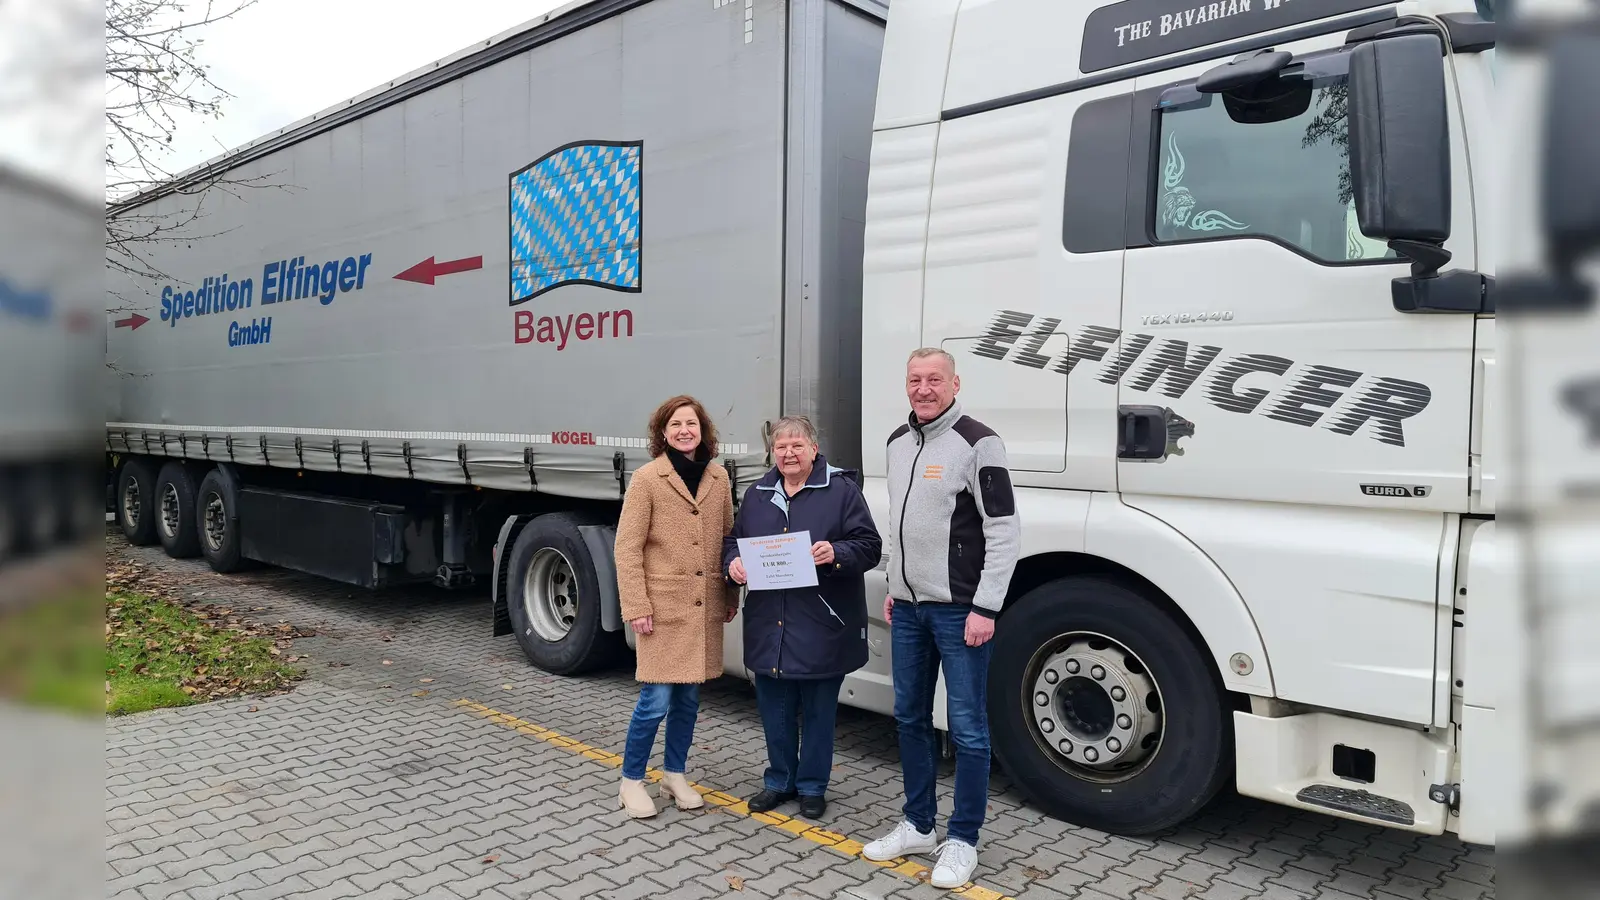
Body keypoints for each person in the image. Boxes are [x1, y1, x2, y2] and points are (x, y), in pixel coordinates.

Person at [862, 348, 1020, 889]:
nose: (923, 388)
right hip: (907, 608)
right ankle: (918, 824)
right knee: (908, 718)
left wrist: (986, 606)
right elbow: (897, 524)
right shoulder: (898, 443)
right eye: (914, 379)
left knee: (969, 729)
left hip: (959, 612)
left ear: (956, 383)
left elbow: (1003, 531)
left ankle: (963, 840)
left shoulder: (979, 442)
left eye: (934, 379)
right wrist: (892, 582)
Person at [723, 415, 882, 821]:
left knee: (817, 713)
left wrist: (836, 554)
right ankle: (778, 781)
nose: (789, 453)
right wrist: (734, 564)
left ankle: (812, 787)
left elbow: (869, 545)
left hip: (821, 624)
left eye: (797, 445)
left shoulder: (841, 490)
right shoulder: (758, 493)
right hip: (768, 622)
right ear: (772, 452)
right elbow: (732, 542)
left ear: (814, 449)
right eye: (781, 447)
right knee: (774, 710)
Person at [613, 395, 740, 819]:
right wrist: (636, 605)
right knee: (656, 700)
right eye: (676, 425)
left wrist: (731, 594)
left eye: (692, 423)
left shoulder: (719, 477)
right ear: (663, 433)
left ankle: (674, 774)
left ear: (703, 430)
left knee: (688, 700)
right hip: (661, 609)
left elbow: (728, 540)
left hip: (703, 608)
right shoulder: (648, 478)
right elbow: (627, 549)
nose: (685, 431)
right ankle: (631, 781)